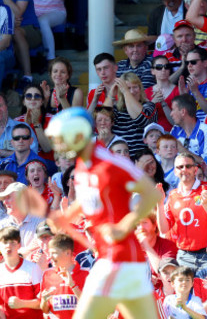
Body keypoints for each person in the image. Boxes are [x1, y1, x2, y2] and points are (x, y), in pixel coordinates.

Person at [44, 107, 162, 319]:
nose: (59, 145)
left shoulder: (111, 163)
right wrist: (66, 216)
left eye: (63, 138)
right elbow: (89, 198)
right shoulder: (82, 165)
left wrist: (125, 226)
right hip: (124, 262)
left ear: (78, 134)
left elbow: (152, 195)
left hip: (115, 260)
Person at [156, 153, 207, 272]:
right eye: (180, 167)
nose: (184, 170)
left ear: (195, 169)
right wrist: (159, 203)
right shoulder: (173, 195)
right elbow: (163, 229)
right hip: (184, 255)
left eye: (188, 166)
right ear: (175, 171)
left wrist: (206, 203)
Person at [39, 233, 88, 319]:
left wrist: (72, 285)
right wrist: (44, 301)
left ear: (68, 253)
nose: (50, 257)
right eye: (49, 253)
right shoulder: (47, 275)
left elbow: (89, 307)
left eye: (54, 253)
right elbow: (45, 310)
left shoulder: (86, 275)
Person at [0, 226, 42, 319]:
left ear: (19, 245)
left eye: (13, 242)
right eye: (5, 242)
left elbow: (43, 303)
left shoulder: (33, 268)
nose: (8, 246)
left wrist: (22, 303)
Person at [170, 93, 207, 158]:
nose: (171, 114)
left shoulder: (206, 131)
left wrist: (183, 150)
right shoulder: (175, 129)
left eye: (173, 110)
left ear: (183, 112)